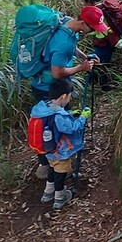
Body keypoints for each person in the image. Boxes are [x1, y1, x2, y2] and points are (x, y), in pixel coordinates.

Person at [32, 6, 107, 179]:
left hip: (55, 87)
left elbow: (72, 47)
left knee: (55, 125)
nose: (93, 32)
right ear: (82, 23)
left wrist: (84, 57)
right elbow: (57, 73)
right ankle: (49, 167)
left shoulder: (68, 24)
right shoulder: (62, 42)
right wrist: (81, 68)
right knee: (48, 127)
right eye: (93, 28)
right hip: (47, 88)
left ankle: (56, 163)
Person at [31, 77, 91, 209]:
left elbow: (57, 121)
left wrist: (69, 114)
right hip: (60, 151)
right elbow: (71, 128)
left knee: (52, 170)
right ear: (63, 96)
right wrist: (83, 117)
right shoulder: (59, 116)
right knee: (61, 173)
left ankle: (48, 193)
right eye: (69, 97)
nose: (69, 99)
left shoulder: (44, 107)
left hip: (48, 150)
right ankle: (59, 198)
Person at [76, 0, 122, 91]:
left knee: (101, 62)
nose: (82, 4)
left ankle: (102, 85)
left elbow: (99, 29)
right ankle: (96, 82)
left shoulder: (93, 11)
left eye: (83, 1)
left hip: (102, 42)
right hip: (110, 40)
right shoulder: (104, 7)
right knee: (101, 61)